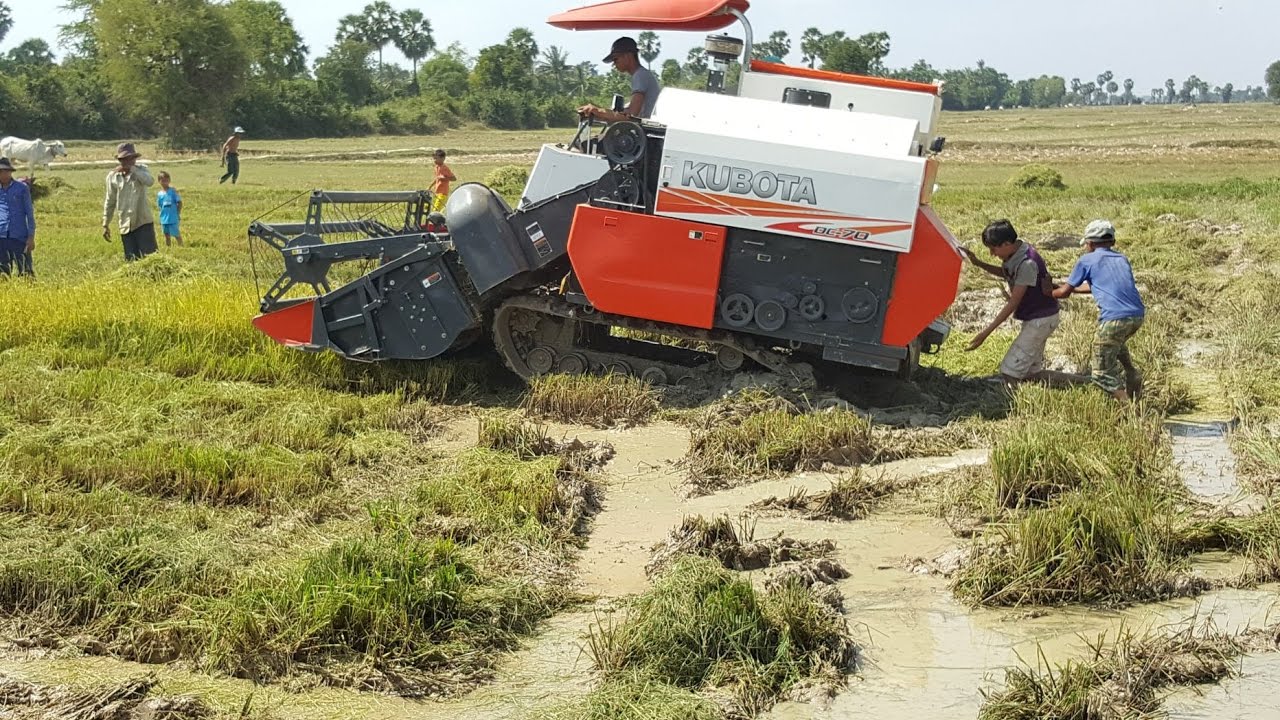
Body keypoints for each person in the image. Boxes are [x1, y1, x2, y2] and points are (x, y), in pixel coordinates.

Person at [1052, 220, 1146, 402]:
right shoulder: (1121, 259)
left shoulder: (1086, 260)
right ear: (1112, 242)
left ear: (1090, 243)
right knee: (1115, 343)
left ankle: (1129, 410)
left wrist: (1049, 292)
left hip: (1113, 319)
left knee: (1101, 372)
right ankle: (1132, 373)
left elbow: (1063, 293)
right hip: (1136, 315)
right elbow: (1105, 285)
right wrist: (1074, 289)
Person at [962, 219, 1062, 386]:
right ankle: (1086, 382)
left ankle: (1016, 403)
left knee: (1010, 371)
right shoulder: (1017, 253)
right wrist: (979, 263)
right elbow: (1007, 272)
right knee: (1032, 373)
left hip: (1041, 320)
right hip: (1039, 317)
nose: (992, 254)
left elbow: (1013, 302)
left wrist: (985, 333)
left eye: (993, 249)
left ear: (1007, 243)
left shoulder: (1027, 263)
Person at [576, 36, 662, 122]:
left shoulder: (640, 75)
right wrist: (598, 115)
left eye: (616, 59)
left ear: (628, 56)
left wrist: (597, 111)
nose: (614, 64)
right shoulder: (642, 75)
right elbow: (624, 114)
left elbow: (631, 115)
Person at [102, 142, 157, 261]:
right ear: (119, 160)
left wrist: (133, 169)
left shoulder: (141, 170)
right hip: (125, 223)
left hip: (142, 221)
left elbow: (150, 182)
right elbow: (110, 200)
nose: (127, 162)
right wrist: (106, 223)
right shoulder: (112, 176)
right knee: (131, 260)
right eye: (124, 159)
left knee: (151, 258)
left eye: (130, 158)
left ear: (134, 159)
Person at [0, 157, 36, 277]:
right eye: (0, 172)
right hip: (2, 235)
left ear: (11, 172)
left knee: (26, 270)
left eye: (6, 171)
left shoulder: (21, 188)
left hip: (19, 236)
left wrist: (31, 237)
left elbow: (29, 214)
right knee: (3, 272)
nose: (3, 175)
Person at [156, 171, 184, 247]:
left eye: (167, 180)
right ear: (159, 181)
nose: (165, 183)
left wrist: (178, 213)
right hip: (164, 218)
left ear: (169, 181)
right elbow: (159, 206)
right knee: (166, 235)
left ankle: (181, 246)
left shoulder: (173, 191)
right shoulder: (159, 194)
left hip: (173, 217)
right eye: (163, 181)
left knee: (176, 233)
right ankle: (168, 247)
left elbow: (180, 202)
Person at [431, 149, 456, 214]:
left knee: (435, 211)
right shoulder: (437, 167)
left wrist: (445, 178)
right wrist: (429, 187)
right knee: (435, 209)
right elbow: (437, 178)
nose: (434, 160)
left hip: (443, 193)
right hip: (437, 192)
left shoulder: (445, 168)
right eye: (434, 159)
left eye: (436, 158)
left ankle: (434, 223)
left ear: (443, 158)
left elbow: (454, 178)